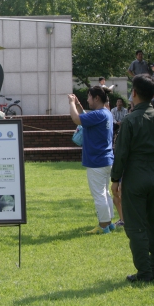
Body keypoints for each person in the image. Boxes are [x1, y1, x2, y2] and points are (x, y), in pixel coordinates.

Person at [111, 74, 154, 282]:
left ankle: (145, 272)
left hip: (135, 178)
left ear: (134, 93)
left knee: (135, 226)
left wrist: (115, 179)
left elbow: (121, 154)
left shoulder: (130, 120)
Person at [68, 86, 116, 234]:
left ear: (96, 98)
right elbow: (84, 117)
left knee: (99, 195)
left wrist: (70, 103)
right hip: (106, 160)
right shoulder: (105, 113)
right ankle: (109, 223)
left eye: (89, 96)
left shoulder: (99, 114)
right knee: (105, 193)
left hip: (97, 161)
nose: (87, 99)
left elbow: (76, 119)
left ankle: (103, 226)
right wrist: (78, 105)